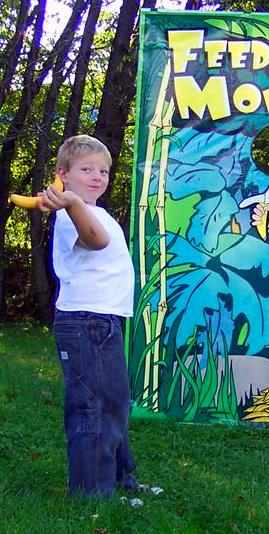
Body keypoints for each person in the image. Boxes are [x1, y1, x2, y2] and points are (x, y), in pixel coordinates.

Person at [38, 135, 148, 499]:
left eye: (103, 171)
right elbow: (97, 240)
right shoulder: (71, 213)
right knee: (93, 405)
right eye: (86, 169)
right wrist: (71, 202)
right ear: (63, 175)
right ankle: (91, 493)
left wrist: (75, 202)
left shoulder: (91, 211)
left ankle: (119, 480)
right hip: (86, 321)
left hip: (103, 321)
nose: (97, 177)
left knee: (114, 402)